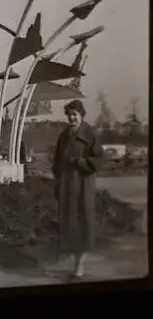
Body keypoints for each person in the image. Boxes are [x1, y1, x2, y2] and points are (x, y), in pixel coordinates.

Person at [52, 99, 104, 279]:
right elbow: (57, 161)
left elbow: (98, 160)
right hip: (67, 185)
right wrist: (58, 181)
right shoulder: (64, 135)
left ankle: (79, 265)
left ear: (82, 115)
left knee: (84, 222)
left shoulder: (90, 134)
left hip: (83, 184)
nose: (72, 118)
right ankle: (75, 262)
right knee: (71, 223)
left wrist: (80, 162)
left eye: (75, 115)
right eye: (69, 115)